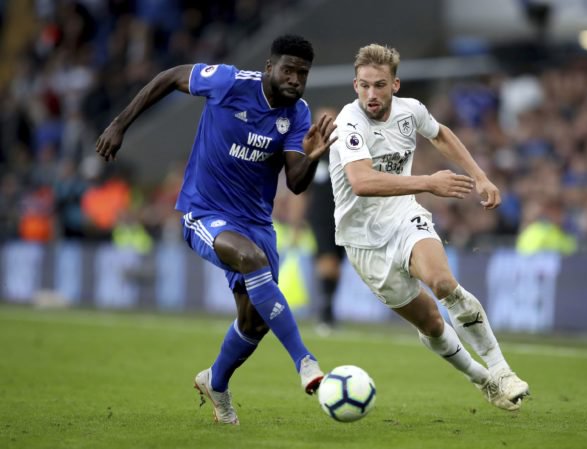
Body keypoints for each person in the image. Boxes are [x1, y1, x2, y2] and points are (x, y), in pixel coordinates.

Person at [96, 35, 337, 425]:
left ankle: (216, 382)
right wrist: (120, 124)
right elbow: (170, 76)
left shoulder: (298, 113)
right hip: (204, 211)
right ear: (269, 67)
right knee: (250, 259)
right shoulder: (229, 82)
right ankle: (304, 361)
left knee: (254, 321)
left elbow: (295, 182)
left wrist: (311, 156)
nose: (295, 79)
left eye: (303, 73)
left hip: (257, 222)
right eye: (289, 70)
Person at [328, 44, 529, 411]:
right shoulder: (348, 123)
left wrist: (480, 177)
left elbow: (440, 134)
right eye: (364, 85)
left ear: (396, 85)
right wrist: (429, 182)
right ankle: (480, 378)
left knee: (442, 283)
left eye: (380, 85)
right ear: (355, 85)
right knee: (432, 323)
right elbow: (361, 182)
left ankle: (501, 371)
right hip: (363, 242)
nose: (371, 94)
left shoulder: (410, 111)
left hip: (404, 216)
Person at [306, 106, 345, 335]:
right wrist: (296, 219)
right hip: (320, 216)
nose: (326, 124)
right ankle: (325, 312)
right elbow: (300, 189)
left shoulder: (346, 148)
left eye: (330, 120)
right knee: (328, 261)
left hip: (343, 216)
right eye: (321, 120)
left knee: (336, 266)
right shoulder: (311, 149)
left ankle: (328, 307)